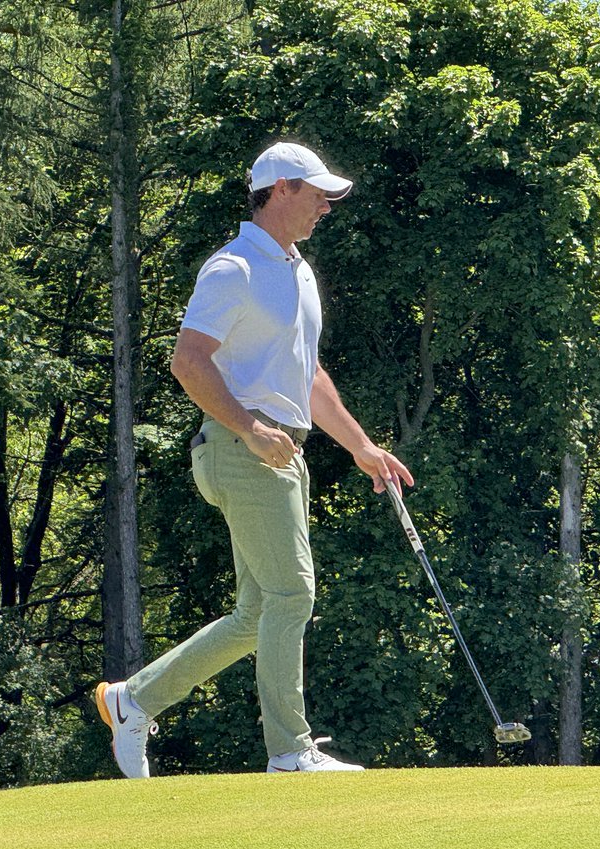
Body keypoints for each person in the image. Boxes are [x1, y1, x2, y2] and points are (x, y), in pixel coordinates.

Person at [96, 141, 413, 776]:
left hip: (277, 450)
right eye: (317, 192)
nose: (326, 204)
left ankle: (133, 699)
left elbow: (309, 375)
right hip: (241, 451)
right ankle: (290, 752)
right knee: (293, 592)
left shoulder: (299, 272)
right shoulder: (233, 268)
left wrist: (361, 446)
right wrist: (249, 430)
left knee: (257, 612)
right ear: (281, 190)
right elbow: (188, 361)